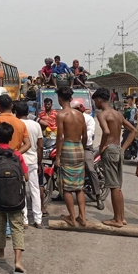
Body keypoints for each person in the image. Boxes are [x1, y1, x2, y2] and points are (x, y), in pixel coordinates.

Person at [0, 122, 28, 274]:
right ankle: (18, 262)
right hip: (16, 197)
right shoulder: (17, 155)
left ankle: (1, 253)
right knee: (17, 226)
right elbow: (26, 177)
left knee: (0, 224)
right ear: (10, 138)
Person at [91, 87, 136, 227]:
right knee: (118, 186)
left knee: (113, 186)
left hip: (109, 150)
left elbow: (105, 131)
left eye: (95, 102)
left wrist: (101, 147)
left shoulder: (102, 115)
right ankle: (121, 217)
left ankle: (117, 220)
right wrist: (123, 148)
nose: (95, 105)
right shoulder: (118, 114)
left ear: (99, 100)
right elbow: (133, 130)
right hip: (117, 149)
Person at [55, 87, 87, 227]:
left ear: (60, 99)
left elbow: (60, 137)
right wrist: (83, 148)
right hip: (79, 147)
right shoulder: (80, 114)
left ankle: (72, 218)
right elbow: (85, 136)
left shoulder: (61, 115)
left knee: (67, 186)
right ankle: (83, 217)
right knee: (79, 186)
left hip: (67, 148)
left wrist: (57, 157)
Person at [71, 99, 103, 210]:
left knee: (90, 168)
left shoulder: (89, 119)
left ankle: (98, 196)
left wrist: (77, 138)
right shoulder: (70, 118)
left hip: (85, 147)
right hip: (72, 146)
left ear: (80, 108)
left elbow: (89, 134)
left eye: (75, 109)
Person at [16, 101, 44, 228]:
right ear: (28, 112)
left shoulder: (16, 124)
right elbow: (40, 146)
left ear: (16, 112)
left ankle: (24, 219)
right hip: (33, 161)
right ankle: (38, 219)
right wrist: (39, 162)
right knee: (35, 189)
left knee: (21, 190)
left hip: (19, 160)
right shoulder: (36, 125)